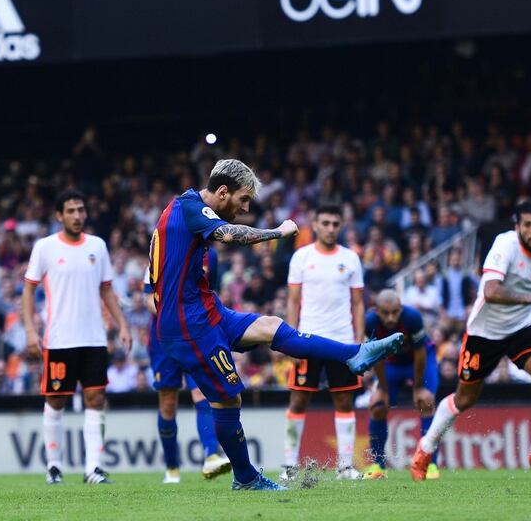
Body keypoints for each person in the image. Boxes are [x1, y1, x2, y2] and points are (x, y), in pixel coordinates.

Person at [148, 159, 403, 491]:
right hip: (188, 323)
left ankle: (355, 353)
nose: (245, 207)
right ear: (222, 192)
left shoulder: (186, 204)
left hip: (205, 310)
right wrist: (277, 233)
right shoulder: (192, 209)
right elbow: (230, 234)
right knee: (227, 401)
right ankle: (246, 477)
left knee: (270, 325)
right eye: (242, 199)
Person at [411, 200, 531, 480]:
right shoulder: (504, 245)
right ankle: (425, 448)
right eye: (527, 225)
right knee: (465, 399)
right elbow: (492, 291)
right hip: (484, 333)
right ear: (517, 226)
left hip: (520, 328)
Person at [22, 189, 133, 485]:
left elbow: (107, 290)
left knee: (96, 398)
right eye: (70, 211)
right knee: (56, 400)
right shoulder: (45, 248)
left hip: (94, 338)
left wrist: (122, 324)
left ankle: (93, 468)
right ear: (59, 215)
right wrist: (31, 330)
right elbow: (29, 290)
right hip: (59, 339)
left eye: (81, 210)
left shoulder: (98, 245)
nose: (77, 216)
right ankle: (54, 466)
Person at [281, 206, 366, 481]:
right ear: (315, 224)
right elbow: (293, 300)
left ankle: (345, 467)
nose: (331, 228)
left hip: (341, 340)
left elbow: (358, 303)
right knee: (298, 399)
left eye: (335, 223)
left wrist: (359, 341)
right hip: (307, 340)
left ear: (341, 226)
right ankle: (289, 467)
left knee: (344, 399)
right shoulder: (301, 257)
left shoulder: (351, 258)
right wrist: (290, 341)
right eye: (326, 223)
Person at [143, 250, 232, 485]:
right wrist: (174, 314)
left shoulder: (210, 256)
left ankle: (211, 454)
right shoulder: (161, 254)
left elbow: (212, 291)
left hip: (195, 334)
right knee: (168, 402)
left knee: (200, 392)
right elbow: (147, 298)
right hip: (164, 339)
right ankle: (172, 467)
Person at [364, 290, 437, 480]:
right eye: (385, 313)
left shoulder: (412, 317)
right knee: (377, 404)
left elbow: (420, 353)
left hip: (419, 361)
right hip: (392, 363)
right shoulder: (370, 322)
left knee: (426, 401)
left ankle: (430, 465)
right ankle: (378, 466)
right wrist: (384, 391)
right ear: (376, 311)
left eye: (395, 312)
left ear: (401, 309)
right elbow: (377, 356)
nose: (391, 318)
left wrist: (418, 387)